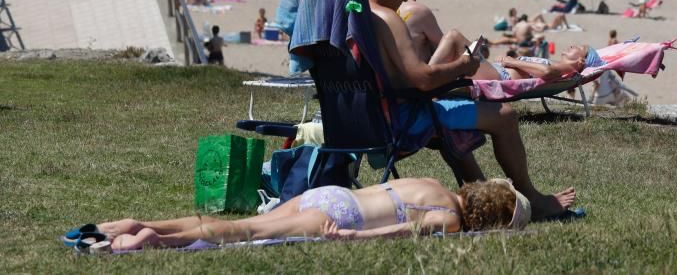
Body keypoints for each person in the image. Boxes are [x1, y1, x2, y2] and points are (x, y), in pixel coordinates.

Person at [362, 0, 575, 219]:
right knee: (504, 116)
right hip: (401, 121)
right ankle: (533, 201)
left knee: (453, 116)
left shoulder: (352, 11)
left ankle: (486, 200)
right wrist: (463, 66)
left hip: (364, 118)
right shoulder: (388, 18)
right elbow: (423, 79)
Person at [80, 178, 530, 252]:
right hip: (343, 217)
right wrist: (352, 239)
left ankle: (143, 224)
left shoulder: (434, 184)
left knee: (250, 224)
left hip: (331, 192)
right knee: (243, 231)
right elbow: (402, 229)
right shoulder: (449, 219)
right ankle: (154, 240)